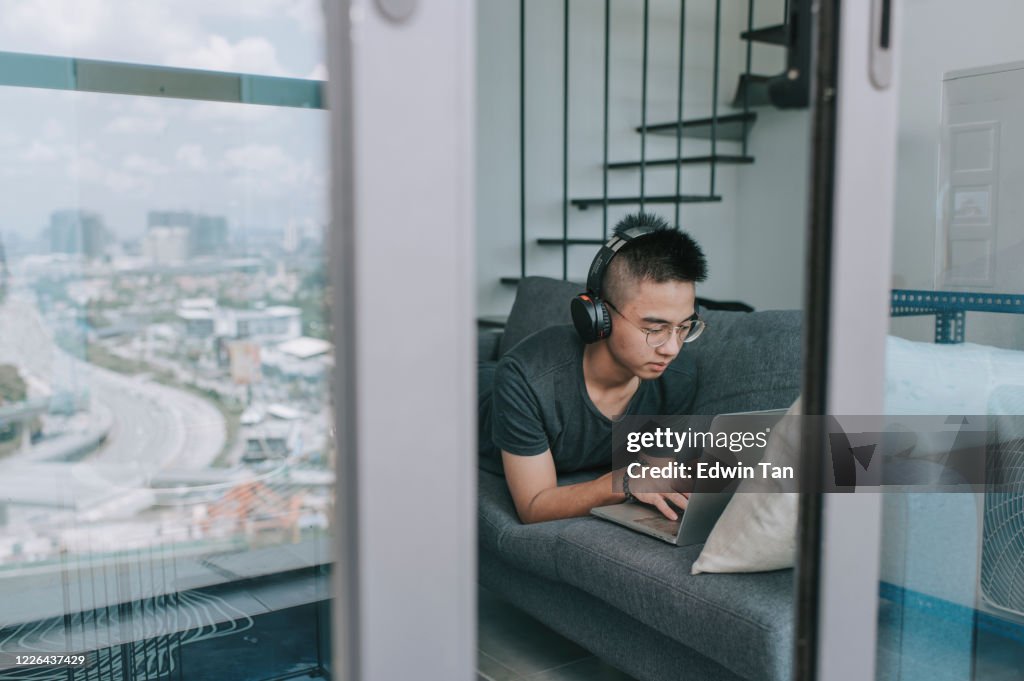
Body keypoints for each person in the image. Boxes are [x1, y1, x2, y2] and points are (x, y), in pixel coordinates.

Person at [479, 212, 708, 524]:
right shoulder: (527, 378)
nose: (671, 348)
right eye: (654, 328)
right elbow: (534, 506)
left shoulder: (678, 378)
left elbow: (656, 468)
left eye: (684, 327)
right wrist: (623, 481)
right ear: (598, 316)